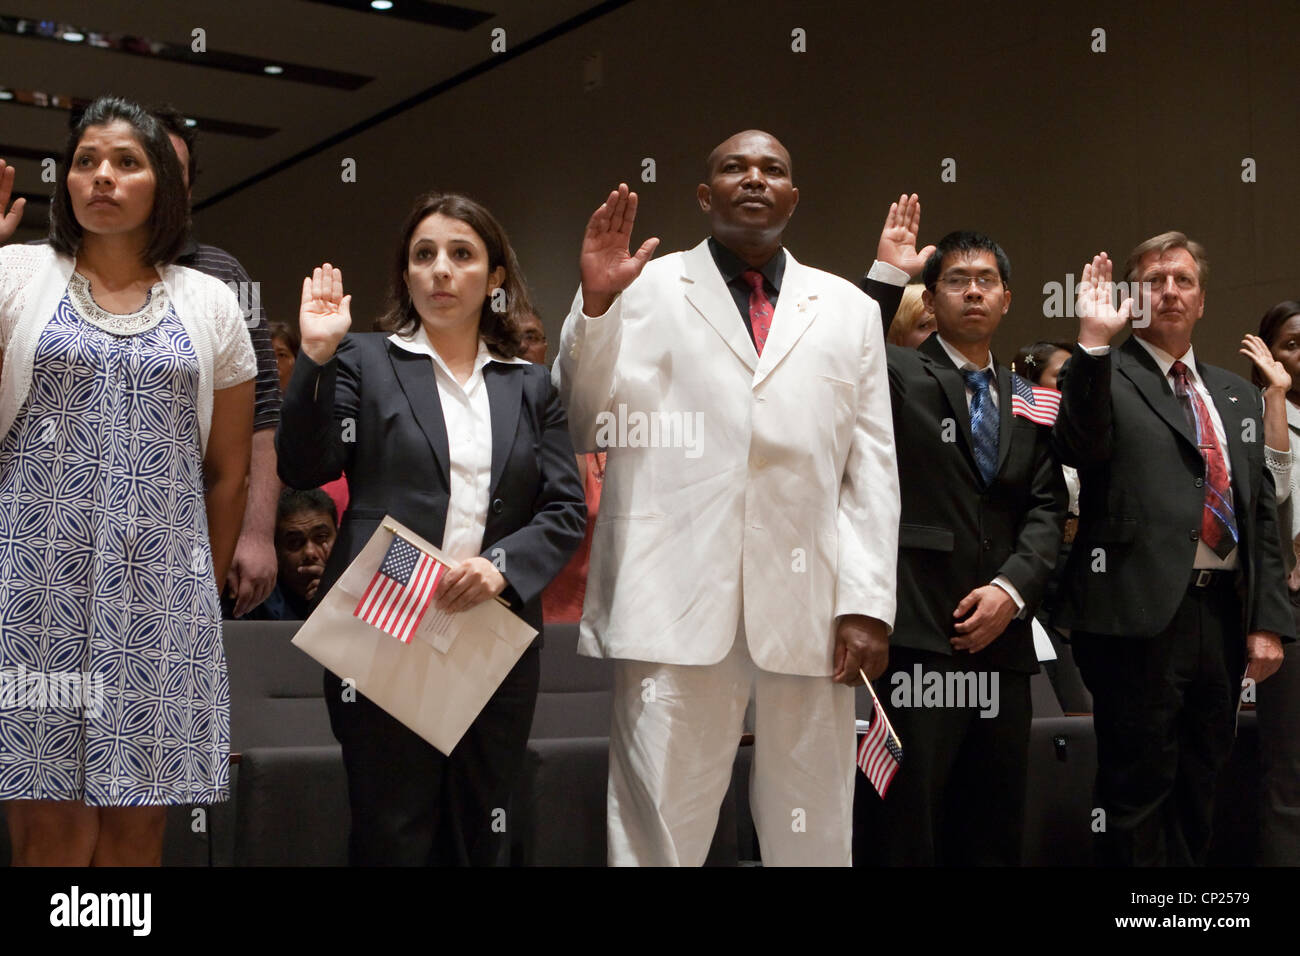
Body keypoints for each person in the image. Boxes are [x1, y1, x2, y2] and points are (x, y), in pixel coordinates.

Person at [555, 130, 900, 866]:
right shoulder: (639, 286)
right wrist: (594, 306)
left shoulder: (847, 309)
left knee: (812, 830)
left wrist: (868, 602)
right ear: (705, 196)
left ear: (793, 197)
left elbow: (871, 469)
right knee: (657, 835)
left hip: (811, 607)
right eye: (733, 168)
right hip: (671, 596)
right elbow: (587, 421)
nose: (754, 178)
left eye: (773, 169)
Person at [276, 191, 585, 866]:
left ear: (495, 278)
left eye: (462, 254)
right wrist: (316, 360)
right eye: (424, 256)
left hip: (491, 631)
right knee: (394, 833)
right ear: (407, 276)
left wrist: (503, 563)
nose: (441, 270)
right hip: (387, 614)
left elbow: (565, 509)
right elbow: (304, 463)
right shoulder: (364, 359)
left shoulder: (530, 386)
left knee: (484, 830)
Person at [0, 96, 255, 865]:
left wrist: (197, 597)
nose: (101, 176)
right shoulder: (14, 274)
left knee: (138, 823)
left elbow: (228, 471)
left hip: (161, 600)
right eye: (85, 162)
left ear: (163, 187)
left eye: (126, 162)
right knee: (48, 821)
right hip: (33, 591)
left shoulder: (210, 302)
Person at [1053, 237, 1291, 866]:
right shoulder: (1107, 372)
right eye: (1155, 280)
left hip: (1220, 618)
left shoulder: (1234, 395)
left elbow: (1262, 514)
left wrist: (1267, 622)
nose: (1170, 291)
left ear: (1203, 300)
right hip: (1136, 618)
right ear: (1133, 297)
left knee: (1202, 784)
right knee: (1135, 791)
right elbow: (1080, 444)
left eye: (1183, 280)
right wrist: (1093, 344)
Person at [854, 231, 1068, 865]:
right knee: (905, 823)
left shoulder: (1031, 398)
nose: (972, 290)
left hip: (1002, 642)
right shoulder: (896, 372)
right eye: (955, 280)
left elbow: (1047, 507)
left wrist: (1011, 590)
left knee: (994, 821)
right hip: (917, 634)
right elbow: (839, 351)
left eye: (985, 281)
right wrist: (885, 278)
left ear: (1006, 299)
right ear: (931, 296)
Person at [151, 107, 283, 621]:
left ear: (187, 192)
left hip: (198, 528)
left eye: (173, 175)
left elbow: (264, 418)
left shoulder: (225, 276)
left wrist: (256, 532)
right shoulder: (52, 267)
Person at [1247, 301, 1300, 865]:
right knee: (1290, 774)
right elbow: (1276, 492)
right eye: (1290, 343)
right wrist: (1276, 395)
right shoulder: (1254, 413)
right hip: (1291, 606)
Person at [240, 488, 338, 621]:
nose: (310, 552)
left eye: (321, 537)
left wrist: (338, 605)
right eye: (295, 542)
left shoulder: (361, 591)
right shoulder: (252, 601)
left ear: (340, 538)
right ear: (275, 549)